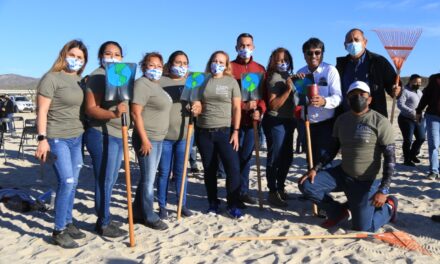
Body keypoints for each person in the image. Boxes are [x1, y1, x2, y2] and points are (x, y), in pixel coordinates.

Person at [298, 81, 398, 232]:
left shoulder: (380, 122)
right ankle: (338, 211)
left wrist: (383, 190)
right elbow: (332, 149)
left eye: (362, 94)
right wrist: (315, 168)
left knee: (364, 228)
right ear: (348, 98)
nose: (358, 97)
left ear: (369, 99)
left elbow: (390, 160)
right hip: (344, 174)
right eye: (353, 95)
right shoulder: (341, 120)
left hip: (367, 181)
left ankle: (389, 206)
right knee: (307, 185)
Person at [35, 40, 88, 248]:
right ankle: (58, 230)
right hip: (57, 137)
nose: (76, 60)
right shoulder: (51, 78)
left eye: (80, 58)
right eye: (73, 55)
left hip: (77, 138)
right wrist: (41, 140)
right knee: (65, 182)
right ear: (64, 55)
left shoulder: (80, 80)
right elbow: (42, 111)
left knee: (74, 182)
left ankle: (68, 221)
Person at [191, 50, 243, 219]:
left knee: (233, 169)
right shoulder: (201, 80)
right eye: (215, 60)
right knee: (209, 169)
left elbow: (236, 108)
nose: (217, 64)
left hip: (225, 131)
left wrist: (235, 131)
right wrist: (195, 106)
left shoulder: (231, 82)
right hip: (204, 131)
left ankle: (232, 204)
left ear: (227, 65)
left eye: (221, 62)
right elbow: (195, 100)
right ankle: (213, 202)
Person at [84, 41, 127, 237]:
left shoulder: (121, 75)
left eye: (117, 54)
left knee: (111, 179)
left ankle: (105, 217)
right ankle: (103, 222)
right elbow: (91, 109)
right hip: (101, 134)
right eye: (108, 53)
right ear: (100, 57)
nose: (113, 57)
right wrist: (114, 115)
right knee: (104, 179)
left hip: (118, 134)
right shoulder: (98, 76)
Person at [131, 52, 172, 230]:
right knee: (148, 179)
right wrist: (144, 139)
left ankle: (136, 212)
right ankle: (149, 215)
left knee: (147, 177)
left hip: (158, 138)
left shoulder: (156, 85)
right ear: (143, 66)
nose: (155, 69)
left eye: (158, 66)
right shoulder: (142, 84)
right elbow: (135, 113)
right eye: (151, 65)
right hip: (147, 138)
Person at [230, 33, 266, 207]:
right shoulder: (229, 68)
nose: (245, 48)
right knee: (233, 159)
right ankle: (234, 193)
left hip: (252, 123)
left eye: (248, 45)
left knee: (246, 159)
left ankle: (244, 191)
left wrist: (259, 110)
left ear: (254, 47)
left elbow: (264, 96)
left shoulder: (259, 69)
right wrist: (242, 106)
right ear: (236, 47)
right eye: (242, 45)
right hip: (233, 122)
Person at [157, 50, 193, 219]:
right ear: (170, 64)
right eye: (178, 62)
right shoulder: (160, 81)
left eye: (185, 63)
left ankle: (182, 204)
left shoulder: (192, 82)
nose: (181, 66)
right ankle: (162, 206)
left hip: (184, 134)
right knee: (164, 172)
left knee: (181, 172)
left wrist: (198, 107)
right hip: (164, 136)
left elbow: (200, 104)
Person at [297, 37, 342, 165]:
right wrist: (296, 83)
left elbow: (338, 97)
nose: (313, 56)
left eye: (317, 52)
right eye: (309, 53)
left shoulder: (330, 70)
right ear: (304, 55)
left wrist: (324, 101)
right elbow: (297, 99)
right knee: (310, 161)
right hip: (306, 123)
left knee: (323, 161)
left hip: (325, 125)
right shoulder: (300, 73)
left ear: (322, 53)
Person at [262, 47, 297, 207]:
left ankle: (281, 187)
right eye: (279, 60)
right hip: (276, 122)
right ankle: (272, 191)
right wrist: (289, 89)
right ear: (273, 62)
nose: (283, 63)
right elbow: (273, 105)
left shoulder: (287, 76)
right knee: (275, 157)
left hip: (289, 121)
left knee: (287, 157)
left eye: (286, 60)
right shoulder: (274, 78)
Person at [336, 28, 399, 118]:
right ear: (345, 45)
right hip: (347, 118)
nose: (353, 43)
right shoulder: (340, 65)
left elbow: (393, 84)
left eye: (356, 40)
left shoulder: (378, 62)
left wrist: (396, 90)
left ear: (365, 42)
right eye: (350, 41)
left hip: (373, 118)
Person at [397, 74, 426, 167]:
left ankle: (413, 155)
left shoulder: (420, 92)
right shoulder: (405, 91)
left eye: (420, 82)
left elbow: (422, 104)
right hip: (406, 119)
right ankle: (407, 159)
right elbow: (400, 104)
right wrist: (412, 112)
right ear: (410, 81)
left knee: (421, 138)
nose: (418, 84)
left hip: (418, 119)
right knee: (408, 140)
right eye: (416, 82)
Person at [416, 73, 440, 180]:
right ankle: (434, 171)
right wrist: (419, 110)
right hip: (433, 115)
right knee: (434, 143)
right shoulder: (435, 79)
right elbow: (426, 96)